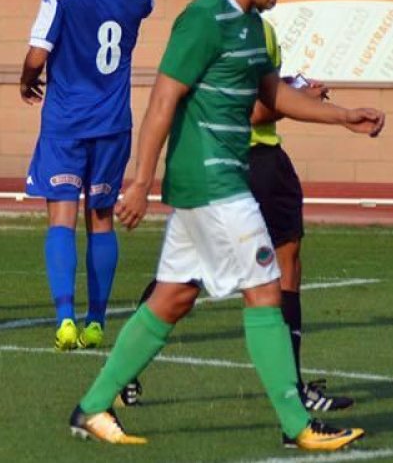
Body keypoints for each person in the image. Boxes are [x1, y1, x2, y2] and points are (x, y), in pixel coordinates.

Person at [68, 0, 382, 452]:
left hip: (220, 182)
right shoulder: (203, 19)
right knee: (264, 291)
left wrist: (342, 115)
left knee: (172, 298)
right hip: (212, 183)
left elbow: (272, 95)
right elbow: (162, 101)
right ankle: (296, 423)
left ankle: (92, 408)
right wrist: (141, 179)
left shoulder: (252, 26)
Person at [117, 21, 353, 411]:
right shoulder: (211, 26)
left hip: (266, 161)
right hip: (232, 166)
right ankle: (119, 378)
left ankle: (292, 389)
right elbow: (252, 111)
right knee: (184, 283)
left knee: (286, 263)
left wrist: (301, 96)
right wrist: (300, 99)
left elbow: (266, 94)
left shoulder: (265, 31)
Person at [19, 0, 153, 352]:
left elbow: (37, 56)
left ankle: (65, 320)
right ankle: (97, 321)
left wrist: (25, 81)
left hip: (66, 122)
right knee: (101, 221)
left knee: (61, 216)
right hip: (113, 124)